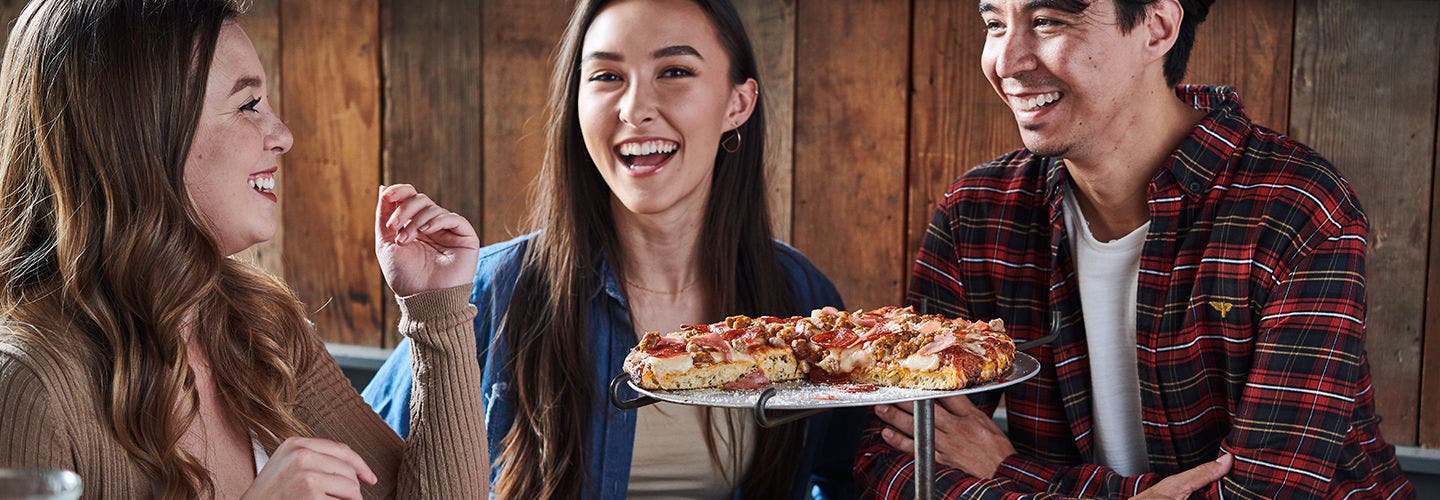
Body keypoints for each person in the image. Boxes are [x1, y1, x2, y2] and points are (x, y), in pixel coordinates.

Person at [856, 0, 1415, 498]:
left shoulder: (1292, 206)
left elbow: (1262, 493)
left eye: (1047, 20)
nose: (1007, 61)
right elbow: (891, 451)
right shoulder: (979, 210)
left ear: (1156, 27)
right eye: (995, 23)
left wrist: (1011, 474)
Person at [362, 0, 864, 497]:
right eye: (606, 77)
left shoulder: (800, 296)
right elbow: (359, 465)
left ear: (738, 104)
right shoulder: (488, 292)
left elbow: (850, 478)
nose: (635, 109)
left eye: (673, 71)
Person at [0, 0, 488, 498]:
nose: (284, 136)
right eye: (249, 106)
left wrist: (436, 309)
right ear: (138, 134)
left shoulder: (262, 327)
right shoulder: (27, 385)